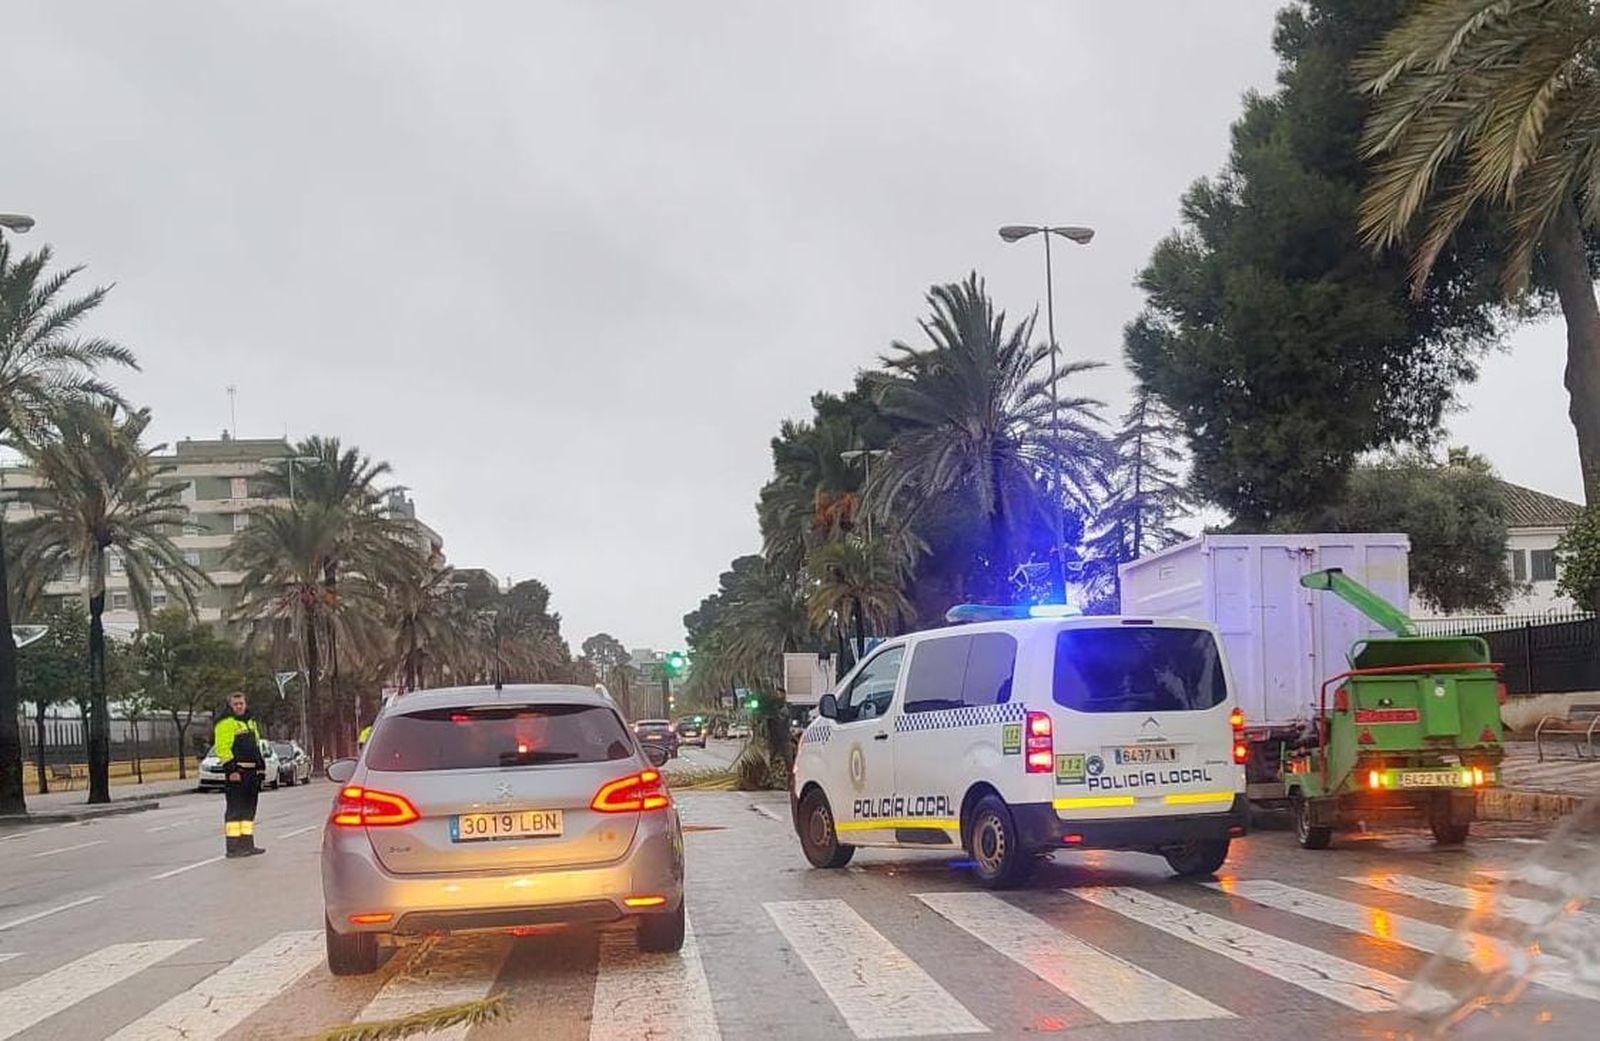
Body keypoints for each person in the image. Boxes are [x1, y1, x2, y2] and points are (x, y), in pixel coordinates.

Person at [214, 690, 266, 858]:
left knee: (249, 811)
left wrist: (260, 767)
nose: (239, 706)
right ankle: (233, 848)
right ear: (230, 706)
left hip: (251, 773)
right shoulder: (226, 723)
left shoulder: (250, 722)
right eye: (235, 704)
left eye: (241, 703)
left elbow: (256, 746)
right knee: (235, 811)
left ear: (245, 704)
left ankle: (247, 845)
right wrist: (231, 770)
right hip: (238, 772)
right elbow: (222, 748)